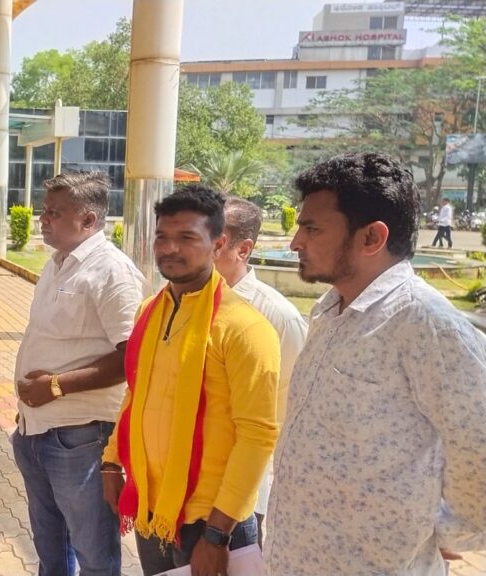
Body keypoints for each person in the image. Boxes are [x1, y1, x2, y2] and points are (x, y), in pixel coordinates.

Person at [264, 153, 486, 575]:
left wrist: (452, 533)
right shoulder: (330, 309)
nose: (295, 242)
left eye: (312, 228)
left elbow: (479, 441)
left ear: (371, 238)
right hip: (296, 557)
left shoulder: (426, 324)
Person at [100, 185, 280, 576]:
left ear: (218, 244)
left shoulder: (244, 328)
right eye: (162, 237)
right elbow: (136, 392)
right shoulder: (151, 311)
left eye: (186, 238)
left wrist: (217, 534)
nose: (170, 248)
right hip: (154, 510)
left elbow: (257, 435)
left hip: (213, 520)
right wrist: (112, 463)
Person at [11, 171, 144, 576]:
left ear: (88, 220)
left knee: (95, 558)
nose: (42, 219)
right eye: (44, 210)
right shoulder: (57, 264)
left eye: (54, 212)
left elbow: (132, 358)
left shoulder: (112, 272)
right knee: (51, 552)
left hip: (80, 439)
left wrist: (53, 387)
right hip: (36, 431)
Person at [213, 197, 308, 546]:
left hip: (242, 493)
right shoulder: (179, 302)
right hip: (179, 484)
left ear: (243, 249)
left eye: (214, 240)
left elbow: (290, 410)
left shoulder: (278, 317)